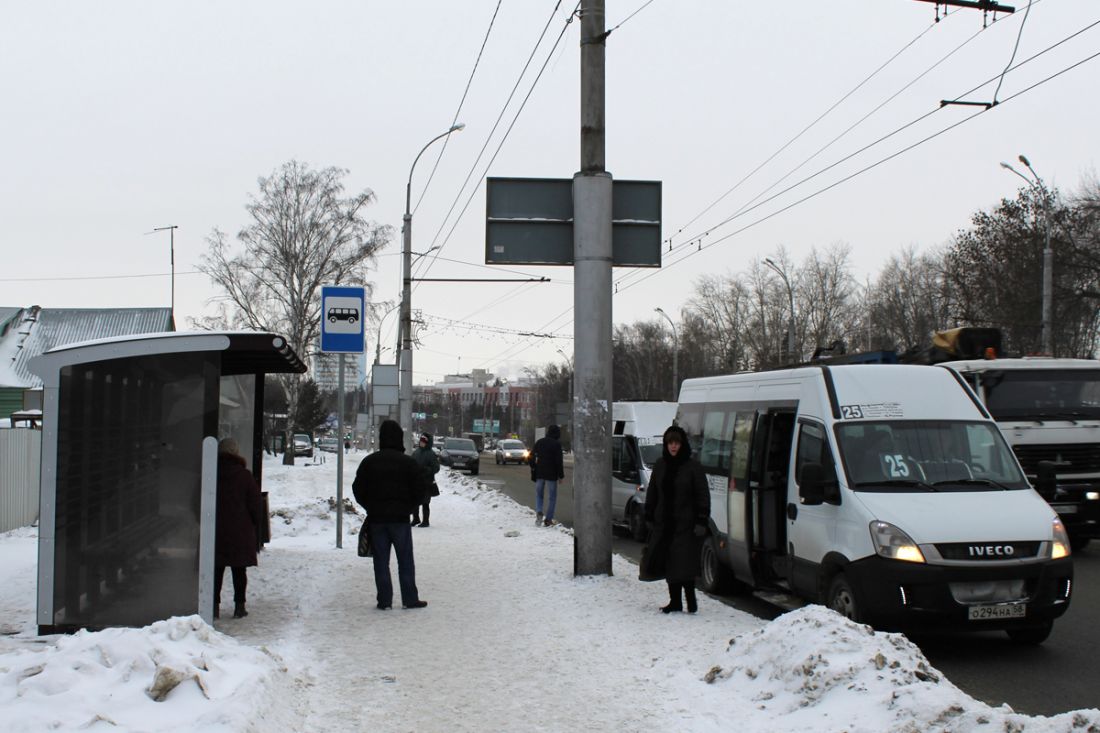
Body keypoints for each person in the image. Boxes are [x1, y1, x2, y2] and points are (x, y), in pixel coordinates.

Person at [352, 419, 430, 610]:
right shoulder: (409, 463)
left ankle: (384, 600)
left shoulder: (370, 462)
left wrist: (370, 507)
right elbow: (420, 490)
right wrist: (409, 507)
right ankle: (409, 599)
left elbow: (358, 489)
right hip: (400, 520)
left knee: (380, 561)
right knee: (405, 560)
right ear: (399, 438)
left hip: (377, 520)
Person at [640, 425, 710, 614]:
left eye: (676, 443)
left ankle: (691, 600)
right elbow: (653, 492)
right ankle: (675, 601)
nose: (673, 446)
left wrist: (701, 520)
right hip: (664, 524)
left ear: (682, 444)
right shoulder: (661, 465)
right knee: (670, 563)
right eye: (670, 443)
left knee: (684, 563)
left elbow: (703, 495)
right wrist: (649, 514)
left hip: (686, 524)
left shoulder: (693, 467)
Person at [214, 437, 262, 619]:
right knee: (239, 570)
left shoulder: (211, 473)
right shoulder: (245, 476)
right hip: (239, 531)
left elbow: (196, 499)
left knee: (215, 569)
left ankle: (213, 606)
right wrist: (254, 524)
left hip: (215, 531)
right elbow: (255, 504)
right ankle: (239, 607)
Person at [530, 424, 565, 527]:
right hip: (552, 475)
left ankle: (539, 512)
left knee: (539, 495)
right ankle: (548, 519)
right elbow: (559, 462)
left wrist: (533, 467)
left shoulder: (539, 442)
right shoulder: (557, 444)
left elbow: (531, 456)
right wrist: (561, 476)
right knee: (552, 497)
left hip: (540, 473)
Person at [411, 432, 440, 527]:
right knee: (415, 501)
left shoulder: (431, 454)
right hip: (416, 481)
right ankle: (416, 519)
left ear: (427, 443)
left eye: (423, 442)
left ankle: (426, 521)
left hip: (427, 482)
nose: (421, 443)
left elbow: (436, 468)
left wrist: (427, 470)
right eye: (421, 442)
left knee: (425, 502)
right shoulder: (416, 452)